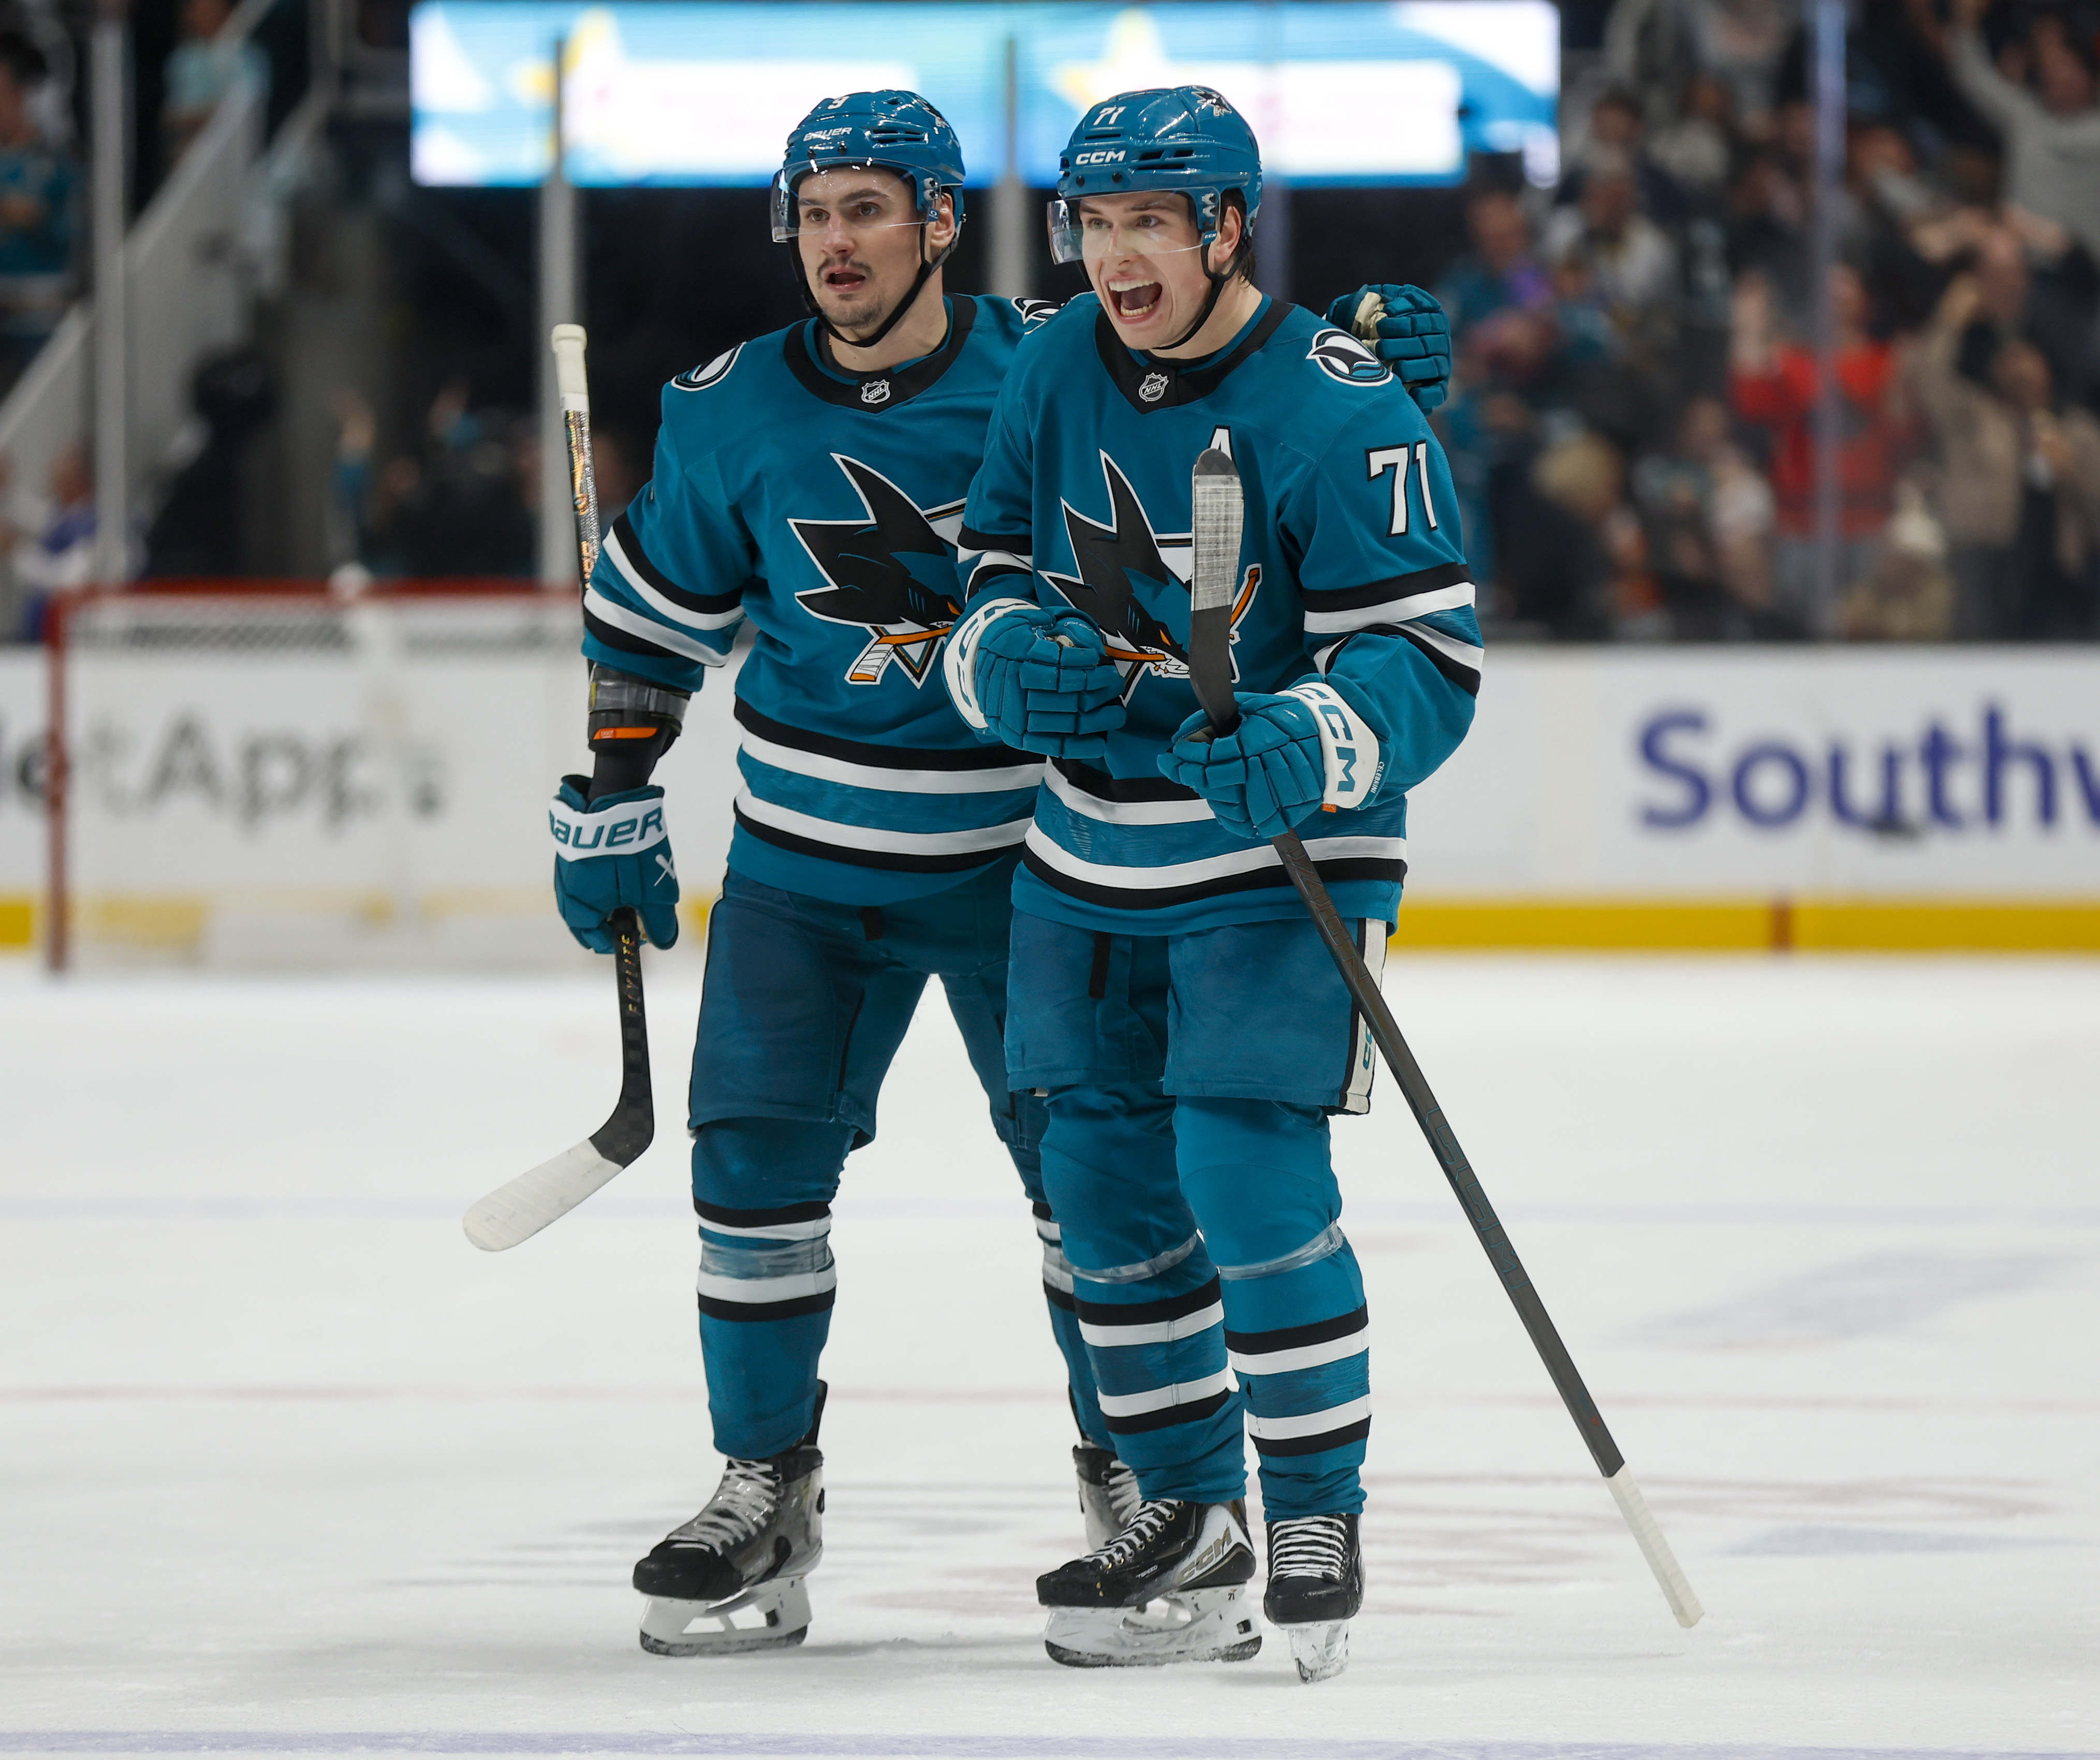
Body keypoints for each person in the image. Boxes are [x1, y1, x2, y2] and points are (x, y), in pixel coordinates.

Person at [540, 88, 1452, 1658]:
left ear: (940, 221)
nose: (835, 243)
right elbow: (658, 616)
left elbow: (1248, 396)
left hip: (1017, 862)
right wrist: (616, 787)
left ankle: (1156, 1482)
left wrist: (1382, 375)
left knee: (1115, 1195)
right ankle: (769, 1473)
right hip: (826, 861)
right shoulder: (744, 403)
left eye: (867, 210)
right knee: (755, 1168)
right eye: (813, 213)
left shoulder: (1043, 352)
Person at [945, 85, 1478, 1682]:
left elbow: (1428, 656)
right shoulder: (1050, 364)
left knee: (1243, 1169)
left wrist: (1319, 732)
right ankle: (1190, 1509)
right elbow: (985, 561)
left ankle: (1311, 1503)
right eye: (1092, 225)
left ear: (1224, 227)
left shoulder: (1335, 403)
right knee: (1097, 1185)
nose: (1113, 257)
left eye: (1144, 224)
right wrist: (996, 660)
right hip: (1084, 849)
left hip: (1276, 853)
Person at [0, 31, 73, 395]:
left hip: (39, 321)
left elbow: (77, 234)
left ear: (22, 95)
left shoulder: (55, 164)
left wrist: (35, 218)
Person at [160, 0, 269, 165]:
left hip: (238, 154)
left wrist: (205, 117)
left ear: (227, 12)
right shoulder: (183, 59)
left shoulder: (249, 57)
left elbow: (248, 111)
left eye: (209, 10)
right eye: (197, 9)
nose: (199, 16)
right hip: (190, 152)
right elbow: (173, 116)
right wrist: (209, 116)